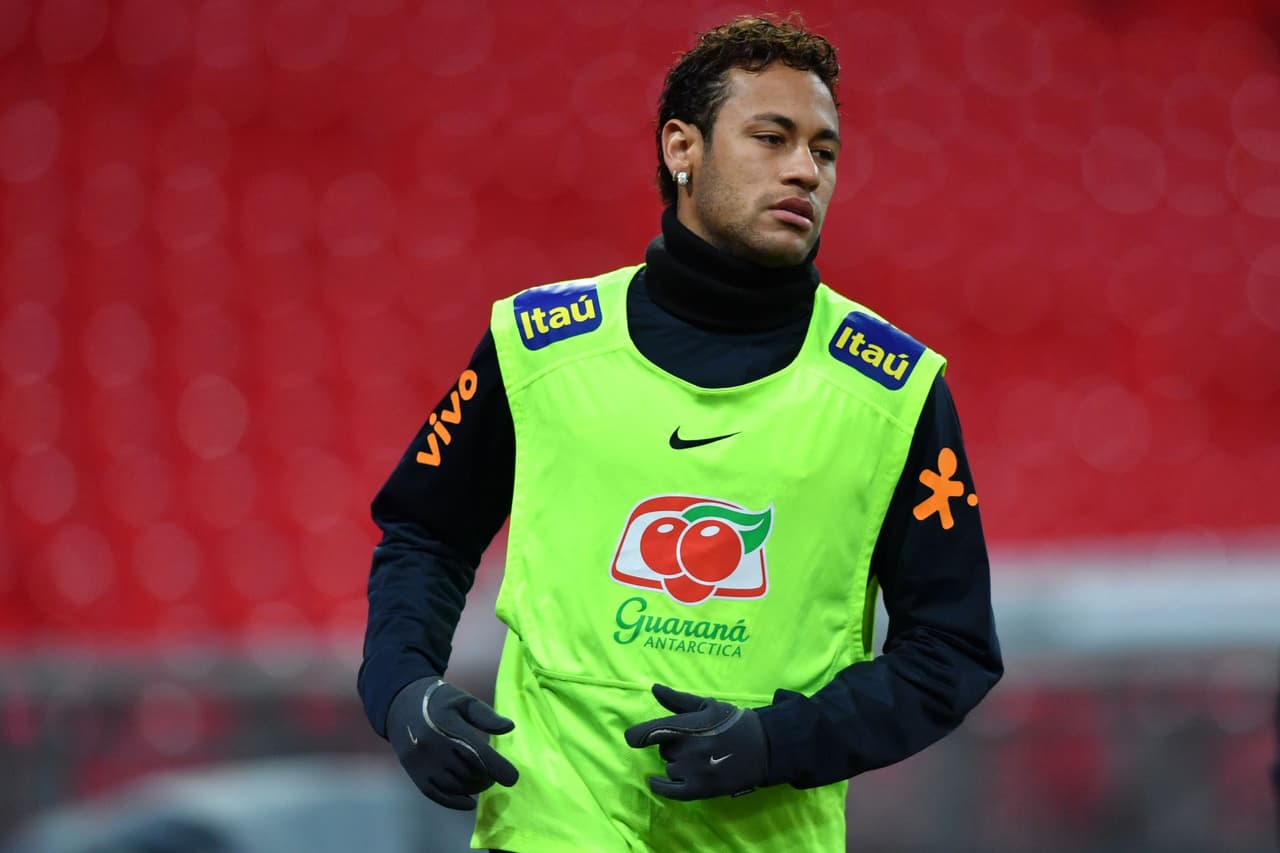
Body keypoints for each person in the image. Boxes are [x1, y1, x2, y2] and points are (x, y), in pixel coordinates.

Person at [358, 14, 1003, 851]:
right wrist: (403, 687)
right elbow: (424, 531)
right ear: (681, 149)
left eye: (824, 149)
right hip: (549, 823)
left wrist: (779, 741)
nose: (805, 170)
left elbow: (953, 651)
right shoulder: (540, 347)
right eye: (771, 137)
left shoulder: (892, 392)